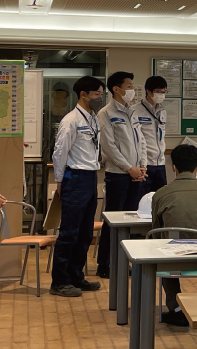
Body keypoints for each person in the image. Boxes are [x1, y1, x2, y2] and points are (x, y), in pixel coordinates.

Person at [151, 144, 197, 326]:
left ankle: (174, 307)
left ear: (173, 166)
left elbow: (156, 231)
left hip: (171, 260)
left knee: (162, 247)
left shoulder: (159, 195)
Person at [50, 76, 105, 297]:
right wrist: (60, 181)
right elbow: (60, 152)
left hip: (91, 177)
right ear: (83, 94)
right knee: (69, 232)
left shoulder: (92, 118)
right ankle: (60, 281)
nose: (100, 98)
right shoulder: (70, 120)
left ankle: (76, 276)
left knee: (84, 233)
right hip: (75, 178)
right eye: (97, 94)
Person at [96, 71, 147, 279]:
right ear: (116, 89)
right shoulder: (105, 113)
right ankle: (105, 264)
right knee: (114, 221)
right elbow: (109, 147)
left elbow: (141, 140)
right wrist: (129, 168)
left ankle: (125, 261)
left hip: (136, 174)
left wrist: (142, 166)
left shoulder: (132, 112)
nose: (132, 90)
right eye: (128, 86)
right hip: (118, 175)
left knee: (132, 222)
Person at [133, 75, 168, 193]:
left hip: (160, 163)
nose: (161, 95)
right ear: (148, 91)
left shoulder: (162, 111)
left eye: (164, 92)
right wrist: (142, 163)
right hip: (144, 164)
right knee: (141, 200)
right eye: (158, 91)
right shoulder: (135, 111)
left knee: (160, 200)